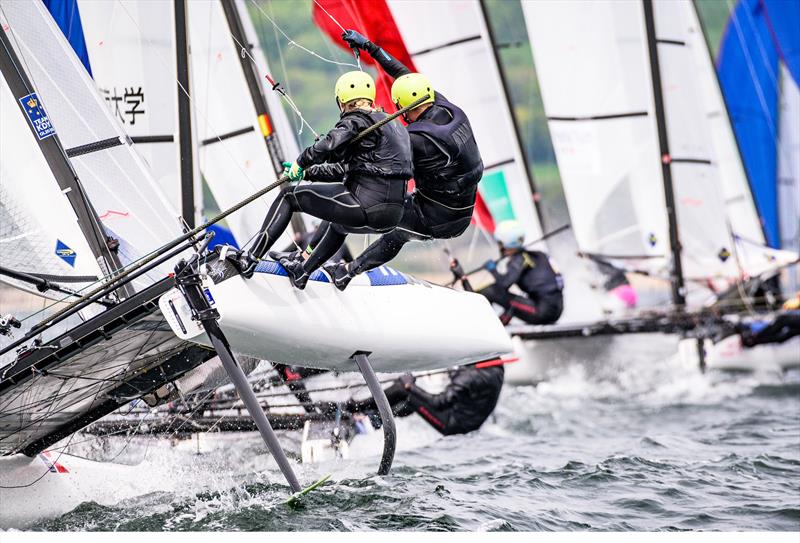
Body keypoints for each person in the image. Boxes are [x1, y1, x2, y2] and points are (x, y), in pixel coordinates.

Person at [286, 30, 483, 291]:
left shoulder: (417, 140)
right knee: (370, 219)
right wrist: (370, 47)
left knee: (350, 216)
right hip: (451, 208)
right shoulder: (444, 107)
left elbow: (353, 167)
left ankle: (325, 268)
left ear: (405, 107)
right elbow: (405, 77)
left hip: (439, 217)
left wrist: (310, 170)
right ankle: (323, 264)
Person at [238, 71, 412, 289]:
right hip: (392, 216)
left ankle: (250, 259)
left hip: (366, 206)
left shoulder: (356, 119)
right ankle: (302, 271)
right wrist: (308, 174)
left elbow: (328, 144)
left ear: (342, 101)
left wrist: (300, 163)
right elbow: (345, 168)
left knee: (288, 196)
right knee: (338, 222)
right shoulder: (394, 126)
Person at [346, 365, 505, 436]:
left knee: (402, 389)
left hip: (451, 424)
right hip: (467, 421)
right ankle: (372, 420)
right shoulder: (495, 369)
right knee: (412, 402)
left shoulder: (469, 377)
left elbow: (438, 402)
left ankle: (355, 407)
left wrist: (410, 385)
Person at [477, 220, 564, 325]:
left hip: (543, 312)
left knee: (489, 291)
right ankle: (499, 323)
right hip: (556, 309)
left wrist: (492, 269)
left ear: (502, 244)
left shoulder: (520, 259)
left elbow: (503, 284)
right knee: (509, 297)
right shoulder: (538, 254)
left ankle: (482, 325)